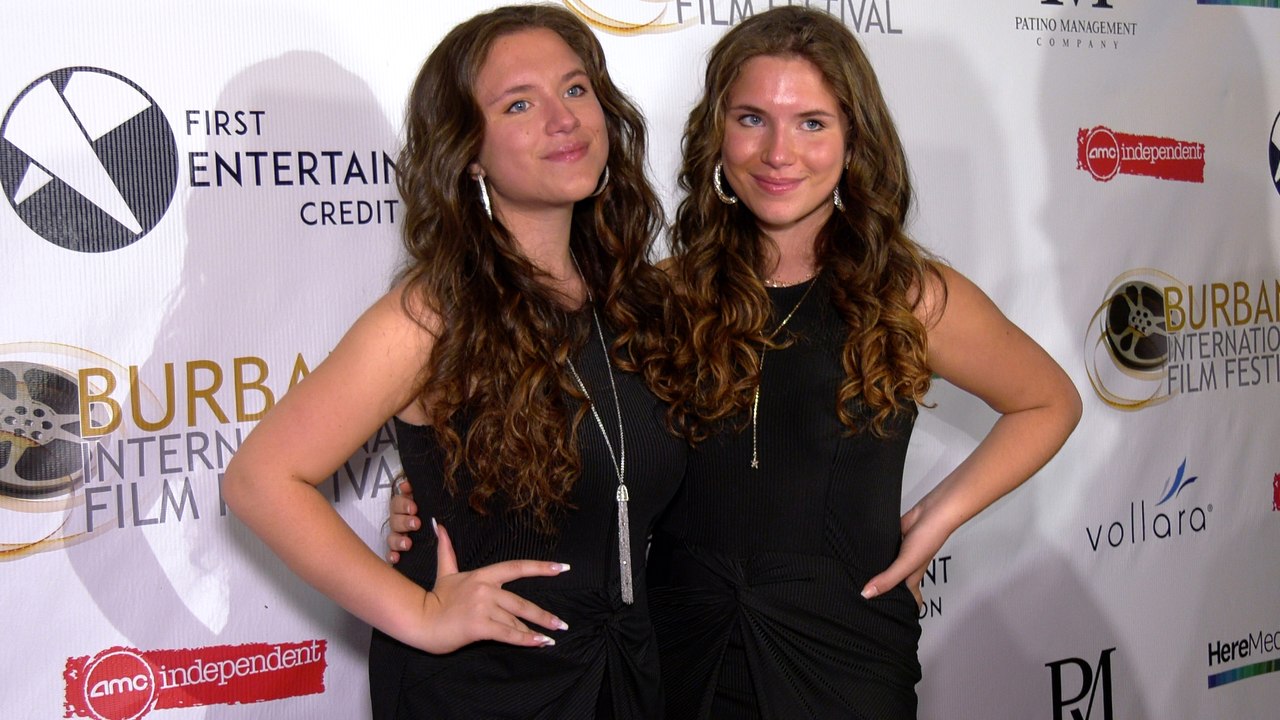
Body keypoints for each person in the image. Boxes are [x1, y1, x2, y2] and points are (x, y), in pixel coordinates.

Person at [389, 6, 1081, 719]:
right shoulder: (658, 296)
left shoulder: (906, 293)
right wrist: (431, 494)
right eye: (752, 119)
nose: (779, 153)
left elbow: (1049, 401)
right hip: (681, 654)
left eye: (813, 122)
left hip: (843, 652)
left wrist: (935, 519)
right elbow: (586, 445)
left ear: (854, 139)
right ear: (717, 135)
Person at [224, 5, 685, 719]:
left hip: (624, 677)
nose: (563, 119)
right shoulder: (431, 315)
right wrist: (418, 614)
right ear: (469, 149)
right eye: (519, 104)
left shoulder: (634, 299)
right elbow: (259, 480)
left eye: (575, 88)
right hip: (479, 691)